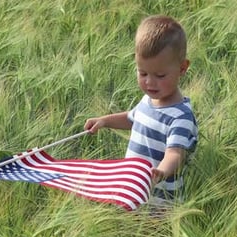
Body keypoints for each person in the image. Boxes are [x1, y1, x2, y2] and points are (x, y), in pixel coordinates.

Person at [84, 15, 198, 208]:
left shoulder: (181, 117)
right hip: (134, 190)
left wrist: (161, 171)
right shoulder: (148, 100)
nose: (150, 82)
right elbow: (131, 119)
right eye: (142, 73)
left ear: (182, 68)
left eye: (160, 75)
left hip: (162, 199)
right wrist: (104, 121)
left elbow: (175, 154)